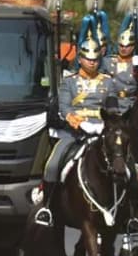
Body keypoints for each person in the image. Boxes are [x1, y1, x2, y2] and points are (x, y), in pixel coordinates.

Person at [33, 14, 115, 227]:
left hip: (102, 132)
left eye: (96, 59)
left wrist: (106, 124)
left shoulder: (108, 82)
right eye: (88, 58)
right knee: (52, 165)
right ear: (80, 58)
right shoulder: (69, 82)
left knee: (128, 166)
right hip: (75, 134)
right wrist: (80, 122)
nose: (92, 62)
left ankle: (129, 212)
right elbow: (65, 108)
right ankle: (47, 208)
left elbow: (114, 108)